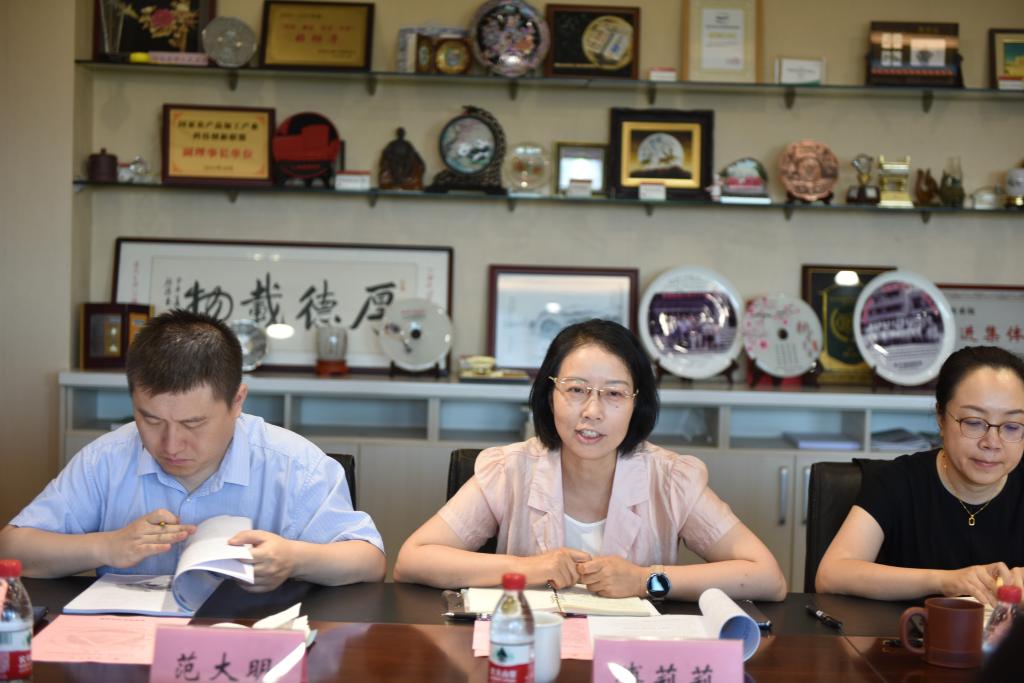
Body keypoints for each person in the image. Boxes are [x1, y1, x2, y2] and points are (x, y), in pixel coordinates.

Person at [394, 319, 787, 601]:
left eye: (613, 394)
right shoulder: (510, 469)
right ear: (550, 395)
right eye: (576, 389)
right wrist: (529, 569)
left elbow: (767, 577)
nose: (592, 411)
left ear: (637, 404)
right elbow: (413, 560)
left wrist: (645, 581)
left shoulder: (670, 478)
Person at [0, 310, 385, 590]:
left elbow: (369, 561)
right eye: (150, 419)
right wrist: (106, 546)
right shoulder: (106, 458)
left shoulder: (294, 464)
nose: (170, 445)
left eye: (193, 423)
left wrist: (294, 559)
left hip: (250, 645)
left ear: (237, 401)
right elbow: (11, 547)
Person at [816, 346, 1024, 605]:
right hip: (909, 630)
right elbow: (831, 574)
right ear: (941, 418)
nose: (992, 442)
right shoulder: (898, 480)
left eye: (1012, 426)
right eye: (973, 422)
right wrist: (945, 581)